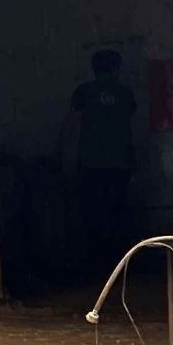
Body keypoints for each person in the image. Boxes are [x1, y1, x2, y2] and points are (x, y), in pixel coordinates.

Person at [62, 48, 139, 278]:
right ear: (116, 68)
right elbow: (129, 123)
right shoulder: (126, 93)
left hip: (91, 164)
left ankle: (96, 267)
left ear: (94, 69)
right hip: (121, 164)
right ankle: (120, 266)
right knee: (118, 212)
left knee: (93, 214)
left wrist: (57, 152)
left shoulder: (84, 92)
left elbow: (72, 125)